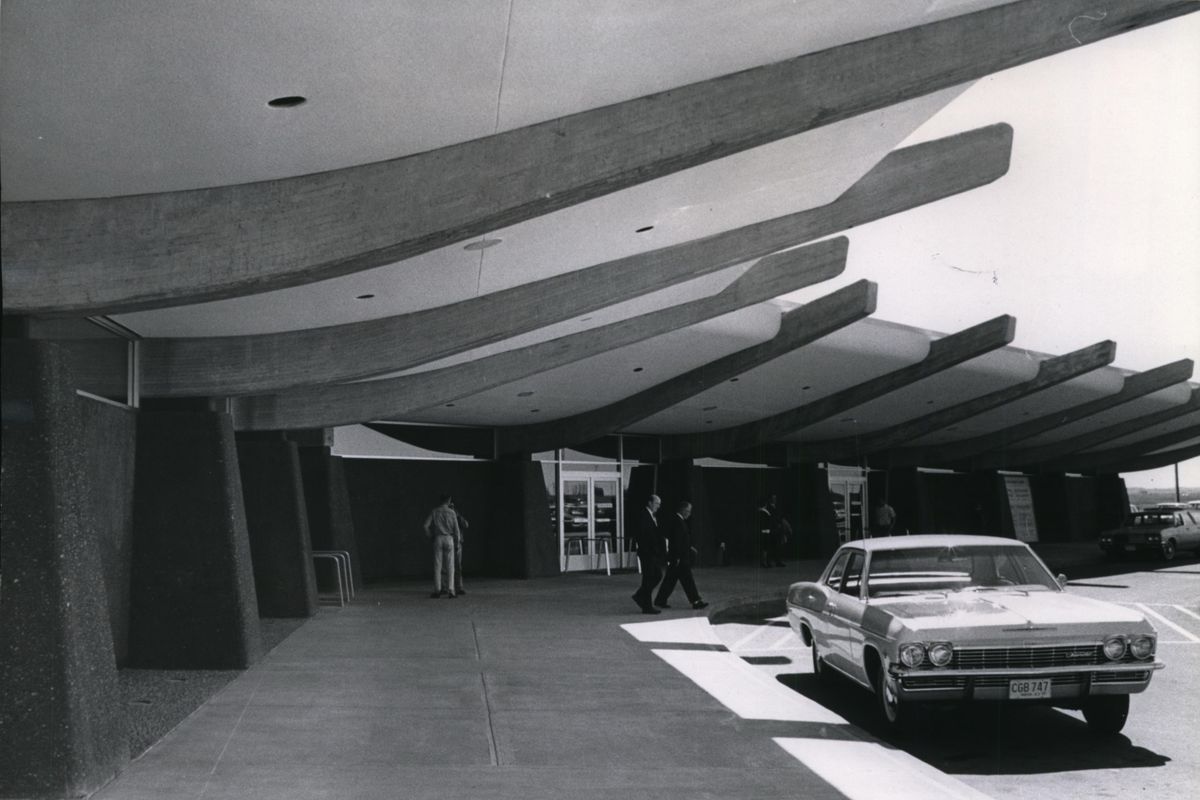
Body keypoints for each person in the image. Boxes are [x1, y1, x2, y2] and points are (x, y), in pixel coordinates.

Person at [654, 501, 708, 610]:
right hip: (680, 558)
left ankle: (660, 600)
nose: (689, 513)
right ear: (682, 510)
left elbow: (680, 540)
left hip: (678, 557)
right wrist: (677, 557)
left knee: (670, 580)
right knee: (688, 580)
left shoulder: (678, 521)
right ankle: (696, 601)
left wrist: (689, 547)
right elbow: (677, 541)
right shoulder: (678, 522)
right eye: (688, 511)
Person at [631, 494, 665, 614]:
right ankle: (647, 606)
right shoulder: (643, 515)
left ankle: (640, 596)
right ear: (650, 503)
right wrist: (648, 548)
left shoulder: (652, 516)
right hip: (647, 552)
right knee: (649, 578)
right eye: (656, 504)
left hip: (652, 552)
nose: (658, 506)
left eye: (659, 504)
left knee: (656, 575)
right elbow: (642, 534)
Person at [423, 494, 460, 598]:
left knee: (437, 566)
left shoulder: (435, 511)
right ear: (449, 501)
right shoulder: (452, 512)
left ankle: (437, 590)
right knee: (450, 566)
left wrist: (431, 536)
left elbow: (425, 526)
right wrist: (457, 543)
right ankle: (451, 590)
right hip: (449, 538)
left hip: (438, 538)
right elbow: (456, 530)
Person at [439, 501, 468, 596]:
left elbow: (466, 524)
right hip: (449, 540)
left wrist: (458, 515)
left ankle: (459, 587)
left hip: (458, 542)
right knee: (444, 565)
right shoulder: (444, 516)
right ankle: (444, 587)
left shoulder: (457, 516)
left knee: (458, 566)